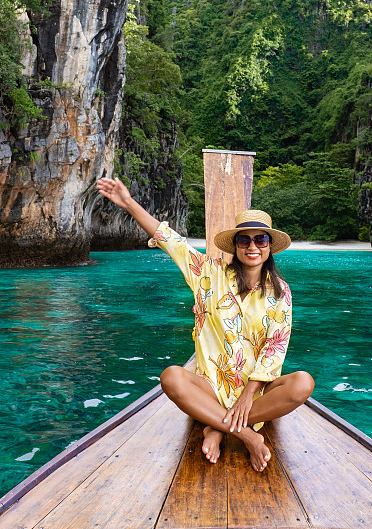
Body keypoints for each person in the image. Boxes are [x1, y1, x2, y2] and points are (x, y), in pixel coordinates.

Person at [95, 177, 314, 472]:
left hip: (256, 396)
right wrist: (129, 202)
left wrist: (248, 396)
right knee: (171, 377)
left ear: (270, 247)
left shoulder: (280, 292)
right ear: (235, 246)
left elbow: (274, 350)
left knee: (303, 383)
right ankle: (244, 433)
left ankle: (218, 425)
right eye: (244, 240)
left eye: (260, 239)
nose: (252, 246)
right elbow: (170, 240)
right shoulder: (207, 274)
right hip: (210, 387)